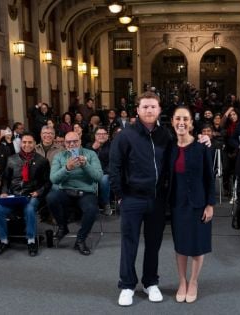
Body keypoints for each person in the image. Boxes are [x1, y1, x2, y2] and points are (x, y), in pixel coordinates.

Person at [109, 92, 210, 306]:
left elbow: (186, 143)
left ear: (159, 110)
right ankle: (127, 285)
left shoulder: (165, 135)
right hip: (132, 199)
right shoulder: (125, 136)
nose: (148, 110)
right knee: (130, 243)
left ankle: (150, 282)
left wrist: (204, 137)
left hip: (157, 199)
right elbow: (115, 167)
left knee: (153, 244)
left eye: (153, 107)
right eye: (144, 106)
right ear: (137, 109)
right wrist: (120, 195)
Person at [169, 106, 215, 303]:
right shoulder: (169, 148)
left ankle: (194, 281)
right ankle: (182, 281)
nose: (181, 122)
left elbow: (209, 178)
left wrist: (210, 204)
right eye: (178, 118)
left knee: (197, 245)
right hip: (177, 204)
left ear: (191, 123)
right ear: (172, 122)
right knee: (181, 246)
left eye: (185, 119)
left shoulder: (201, 147)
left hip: (198, 204)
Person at [0, 133, 51, 257]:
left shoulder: (42, 161)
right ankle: (3, 240)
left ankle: (31, 240)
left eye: (30, 142)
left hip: (31, 196)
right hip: (14, 196)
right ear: (21, 143)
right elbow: (5, 180)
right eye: (24, 142)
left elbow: (47, 182)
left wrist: (38, 192)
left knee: (30, 209)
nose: (27, 145)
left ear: (35, 143)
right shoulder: (11, 159)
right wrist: (3, 192)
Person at [46, 131, 103, 256]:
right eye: (68, 142)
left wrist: (85, 165)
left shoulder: (91, 154)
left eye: (75, 141)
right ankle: (63, 227)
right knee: (51, 197)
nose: (72, 144)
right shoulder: (59, 156)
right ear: (64, 144)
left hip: (86, 192)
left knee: (91, 209)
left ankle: (81, 240)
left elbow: (99, 177)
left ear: (80, 141)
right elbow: (54, 179)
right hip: (66, 191)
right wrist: (66, 168)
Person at [86, 126, 112, 215]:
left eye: (104, 134)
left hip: (105, 173)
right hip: (90, 173)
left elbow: (112, 164)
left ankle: (106, 204)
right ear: (95, 136)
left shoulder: (112, 146)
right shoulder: (89, 146)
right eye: (99, 134)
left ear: (107, 136)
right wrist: (93, 149)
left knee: (104, 179)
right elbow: (85, 160)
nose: (101, 136)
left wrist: (101, 173)